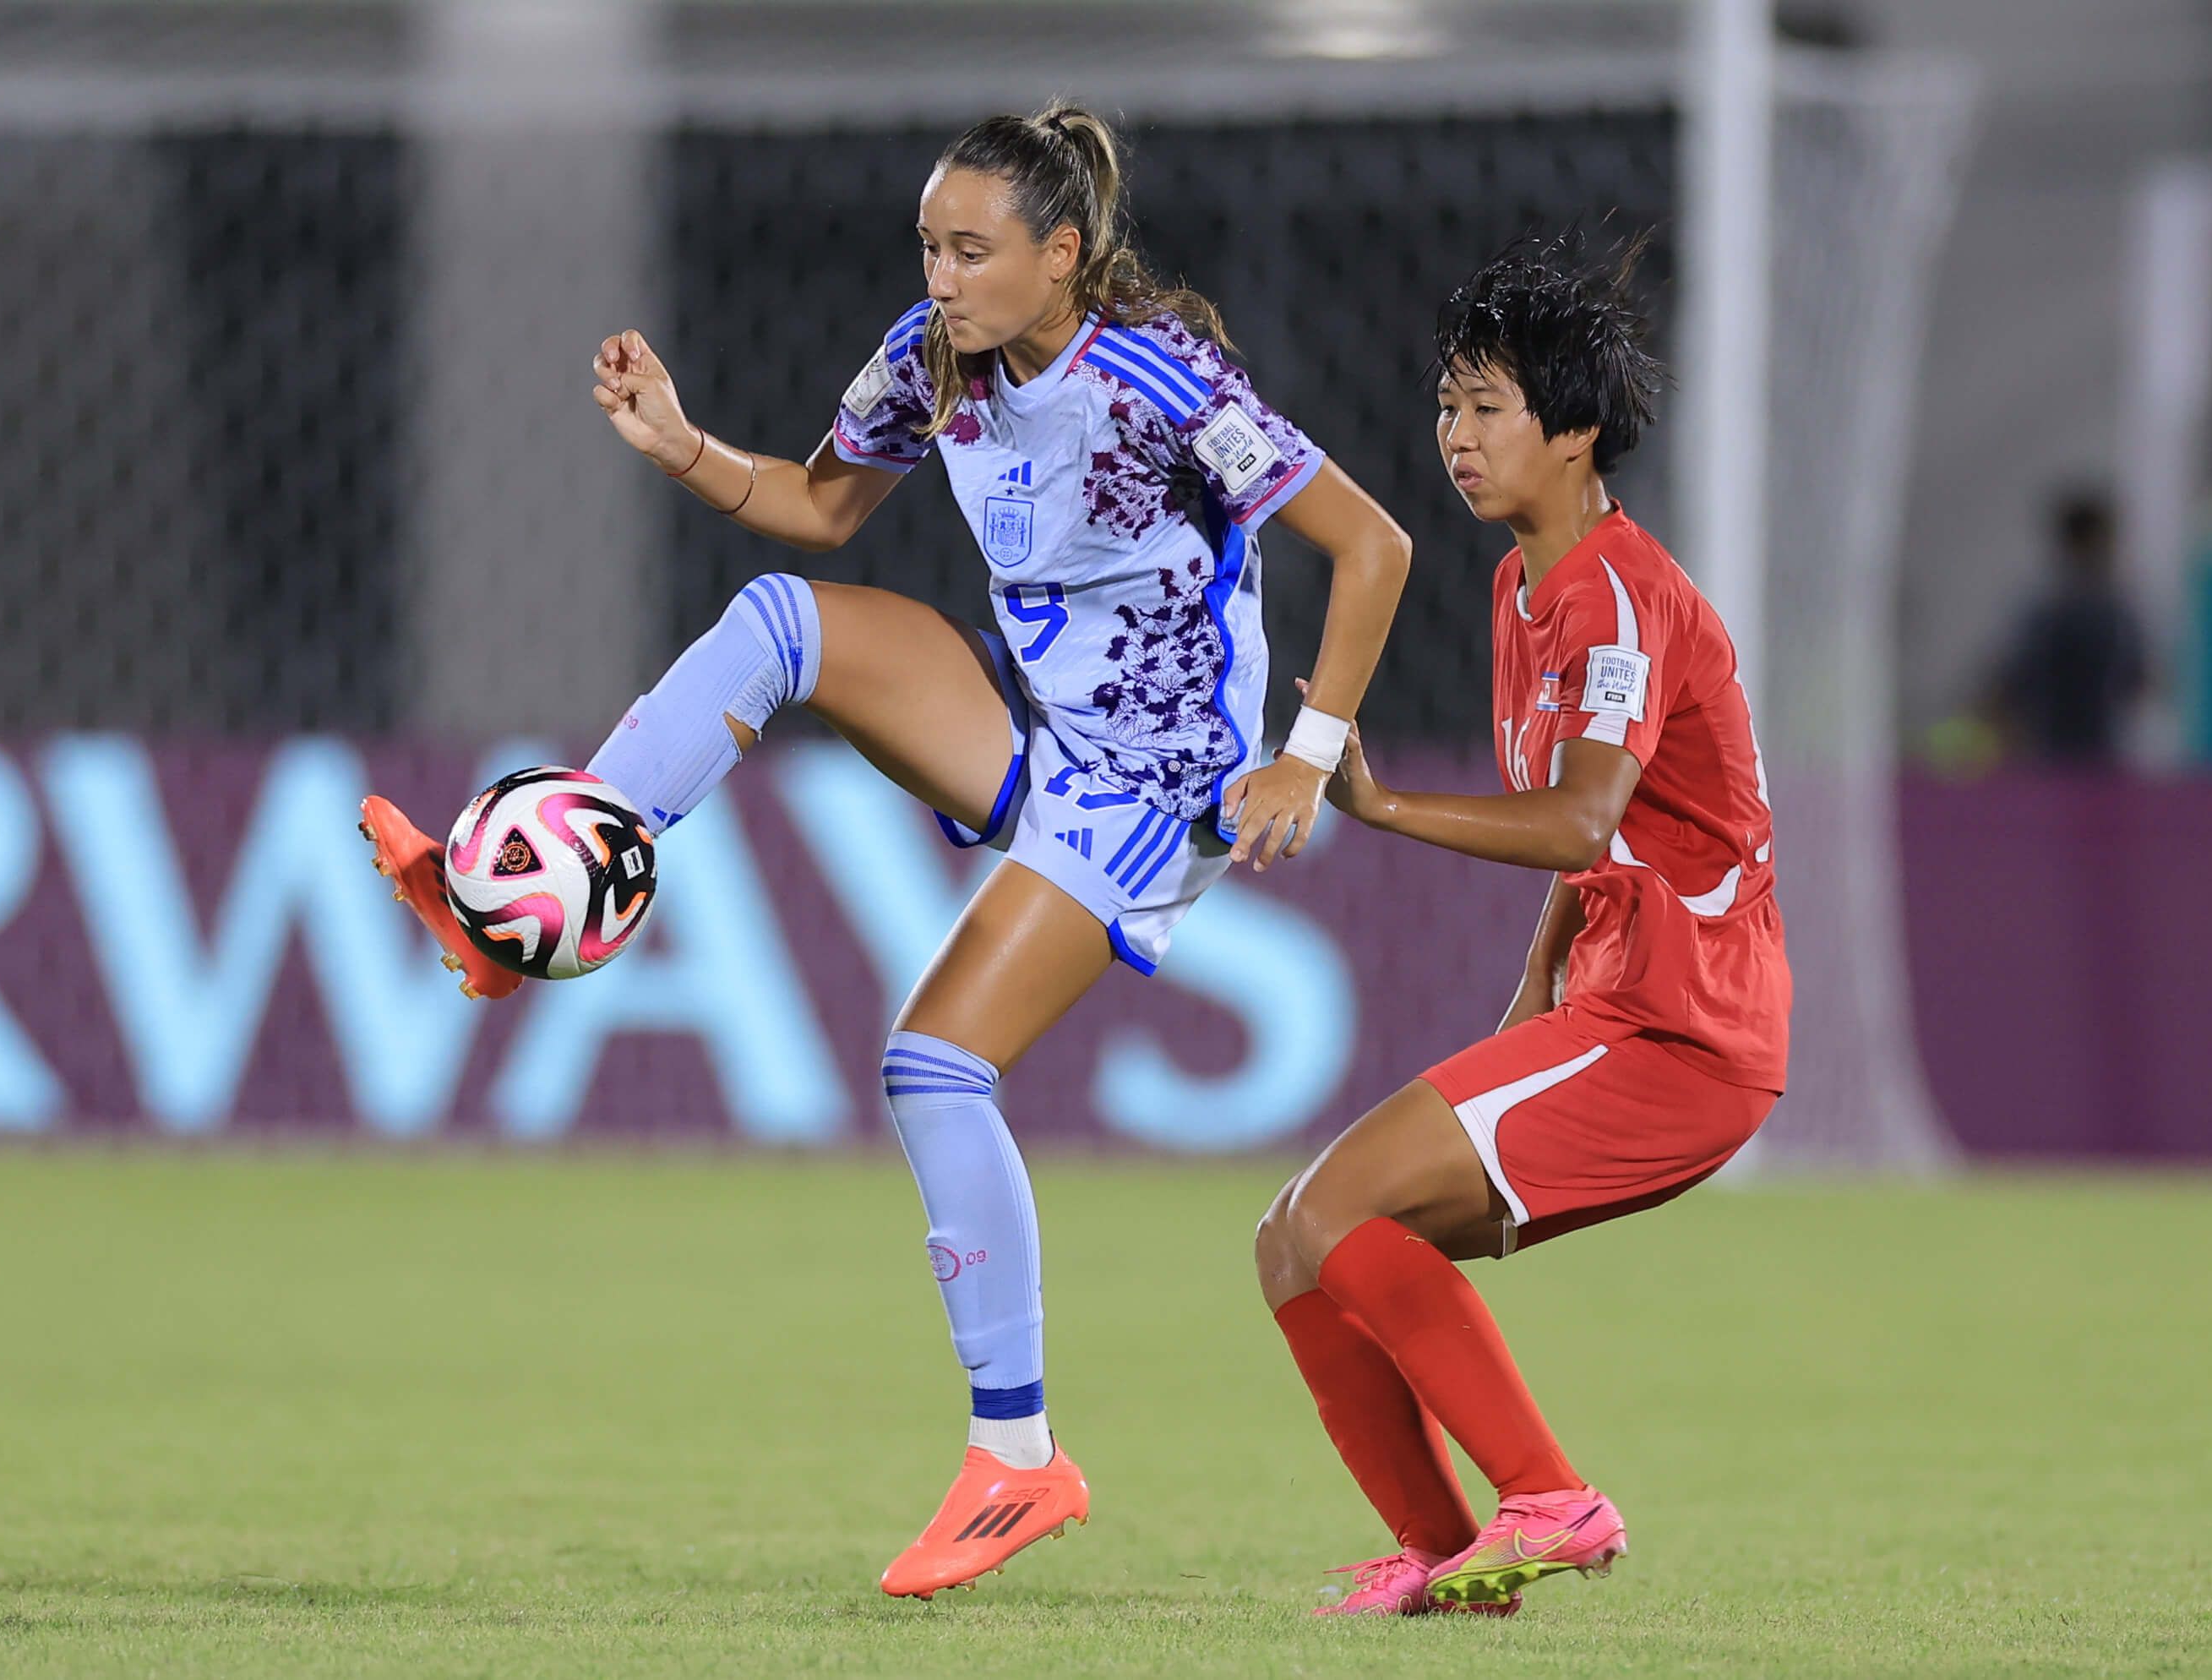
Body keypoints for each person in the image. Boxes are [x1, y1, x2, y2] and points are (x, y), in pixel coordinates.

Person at [357, 103, 1412, 1600]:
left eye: (973, 250)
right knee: (781, 620)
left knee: (933, 1066)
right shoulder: (930, 355)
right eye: (928, 244)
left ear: (1062, 255)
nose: (942, 275)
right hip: (1035, 719)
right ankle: (526, 890)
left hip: (1159, 784)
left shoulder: (1162, 378)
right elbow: (819, 506)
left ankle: (1019, 1455)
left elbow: (1372, 548)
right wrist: (679, 445)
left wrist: (1302, 761)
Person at [1250, 234, 1791, 1618]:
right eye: (1445, 403)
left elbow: (1572, 817)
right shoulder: (1520, 587)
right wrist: (1529, 992)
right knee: (1293, 1240)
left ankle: (1553, 1496)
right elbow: (1600, 835)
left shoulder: (1616, 593)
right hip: (1616, 1006)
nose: (1455, 434)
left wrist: (1373, 802)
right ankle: (1448, 1559)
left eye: (1487, 405)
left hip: (1683, 1026)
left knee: (1336, 1206)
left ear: (1576, 430)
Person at [1990, 489, 2147, 765]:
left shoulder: (2109, 604)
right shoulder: (2060, 607)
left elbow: (2012, 677)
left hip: (2085, 746)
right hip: (2059, 745)